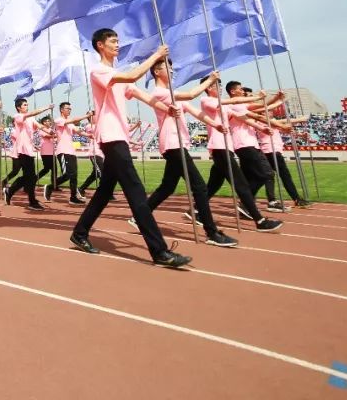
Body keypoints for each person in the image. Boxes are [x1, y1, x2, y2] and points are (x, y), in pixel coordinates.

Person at [69, 29, 191, 269]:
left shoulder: (115, 73)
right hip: (110, 136)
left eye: (118, 40)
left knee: (104, 192)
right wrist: (156, 54)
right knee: (136, 191)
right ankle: (159, 251)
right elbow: (134, 77)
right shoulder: (99, 71)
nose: (118, 44)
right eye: (113, 41)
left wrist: (167, 109)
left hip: (119, 137)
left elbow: (140, 94)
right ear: (100, 45)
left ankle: (80, 232)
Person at [139, 61, 237, 248]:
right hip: (172, 143)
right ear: (157, 72)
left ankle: (140, 215)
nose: (173, 71)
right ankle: (211, 232)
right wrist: (211, 80)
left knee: (168, 186)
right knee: (199, 187)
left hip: (179, 143)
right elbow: (192, 94)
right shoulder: (160, 93)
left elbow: (197, 113)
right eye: (168, 68)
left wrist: (215, 124)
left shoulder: (173, 95)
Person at [199, 77, 282, 232]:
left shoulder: (224, 106)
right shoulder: (206, 100)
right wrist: (257, 97)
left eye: (220, 85)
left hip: (226, 147)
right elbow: (231, 103)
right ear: (208, 87)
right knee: (241, 185)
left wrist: (261, 128)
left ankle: (197, 210)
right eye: (217, 85)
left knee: (213, 185)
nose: (220, 87)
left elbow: (242, 117)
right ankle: (260, 220)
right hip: (219, 147)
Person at [3, 98, 51, 210]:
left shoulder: (31, 119)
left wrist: (50, 131)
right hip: (22, 150)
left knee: (29, 177)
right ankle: (32, 201)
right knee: (30, 177)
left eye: (27, 104)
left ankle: (10, 191)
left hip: (29, 150)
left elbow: (40, 126)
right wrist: (46, 108)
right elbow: (31, 114)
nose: (27, 106)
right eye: (25, 105)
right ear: (19, 107)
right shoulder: (18, 116)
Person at [44, 103, 93, 204]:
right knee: (67, 175)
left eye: (70, 108)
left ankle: (73, 197)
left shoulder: (70, 123)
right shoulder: (58, 120)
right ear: (62, 110)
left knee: (74, 175)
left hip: (71, 152)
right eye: (67, 108)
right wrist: (87, 116)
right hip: (63, 151)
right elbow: (73, 120)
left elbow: (78, 131)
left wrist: (89, 135)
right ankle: (50, 187)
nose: (69, 110)